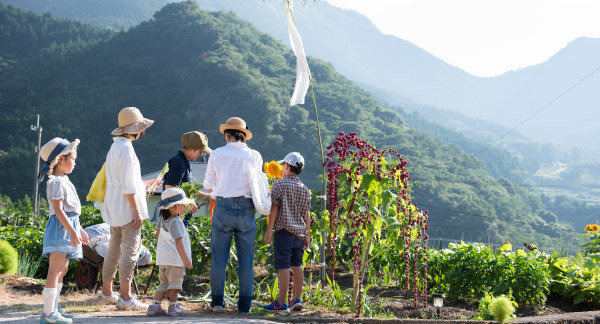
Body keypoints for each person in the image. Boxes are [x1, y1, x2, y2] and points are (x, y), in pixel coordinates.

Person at [99, 107, 161, 310]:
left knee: (113, 250)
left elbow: (124, 182)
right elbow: (128, 186)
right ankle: (126, 297)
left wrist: (145, 183)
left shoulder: (115, 148)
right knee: (130, 252)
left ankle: (107, 292)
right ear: (137, 130)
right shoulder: (126, 150)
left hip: (114, 207)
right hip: (127, 209)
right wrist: (136, 212)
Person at [203, 117, 263, 313]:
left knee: (219, 259)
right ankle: (244, 306)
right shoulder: (255, 155)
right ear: (244, 136)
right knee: (246, 260)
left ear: (227, 134)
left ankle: (218, 303)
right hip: (247, 208)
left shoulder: (217, 154)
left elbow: (207, 185)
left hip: (223, 207)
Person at [39, 137, 88, 324]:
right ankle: (48, 314)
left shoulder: (64, 180)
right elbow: (59, 210)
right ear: (61, 159)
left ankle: (53, 308)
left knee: (63, 269)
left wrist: (79, 229)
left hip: (68, 227)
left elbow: (71, 211)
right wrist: (73, 232)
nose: (75, 162)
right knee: (55, 270)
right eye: (73, 158)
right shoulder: (56, 182)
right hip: (61, 229)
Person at [263, 152, 311, 313]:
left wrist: (269, 232)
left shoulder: (279, 184)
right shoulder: (304, 189)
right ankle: (296, 299)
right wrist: (308, 236)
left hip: (284, 232)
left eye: (283, 165)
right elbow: (307, 215)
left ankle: (281, 303)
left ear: (286, 166)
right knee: (297, 265)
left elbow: (274, 209)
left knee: (283, 267)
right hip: (300, 234)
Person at [147, 188, 195, 317]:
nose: (185, 206)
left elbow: (158, 235)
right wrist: (186, 260)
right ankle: (173, 307)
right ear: (173, 207)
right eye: (182, 204)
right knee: (174, 285)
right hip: (175, 260)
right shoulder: (176, 222)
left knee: (163, 284)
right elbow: (179, 243)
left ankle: (154, 306)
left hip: (163, 259)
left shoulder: (162, 219)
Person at [162, 131, 212, 226]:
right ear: (192, 149)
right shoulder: (178, 162)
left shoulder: (186, 162)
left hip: (181, 217)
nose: (201, 154)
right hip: (174, 217)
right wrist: (189, 201)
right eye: (200, 151)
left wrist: (207, 196)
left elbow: (186, 188)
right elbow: (170, 188)